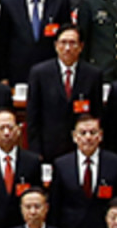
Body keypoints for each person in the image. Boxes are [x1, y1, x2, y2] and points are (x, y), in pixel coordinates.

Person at [25, 22, 103, 160]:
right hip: (49, 147)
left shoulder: (93, 74)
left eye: (73, 43)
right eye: (63, 42)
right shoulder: (39, 73)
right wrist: (35, 151)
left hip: (82, 148)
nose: (67, 48)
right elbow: (33, 116)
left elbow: (96, 114)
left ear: (81, 47)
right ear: (56, 45)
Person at [48, 114, 117, 228]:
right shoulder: (61, 165)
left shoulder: (115, 163)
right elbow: (55, 205)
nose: (88, 137)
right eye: (83, 133)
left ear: (100, 135)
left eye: (93, 132)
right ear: (74, 136)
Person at [0, 0, 71, 86]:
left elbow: (66, 36)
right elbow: (3, 42)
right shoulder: (9, 2)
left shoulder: (61, 1)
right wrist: (4, 76)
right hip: (19, 71)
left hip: (52, 70)